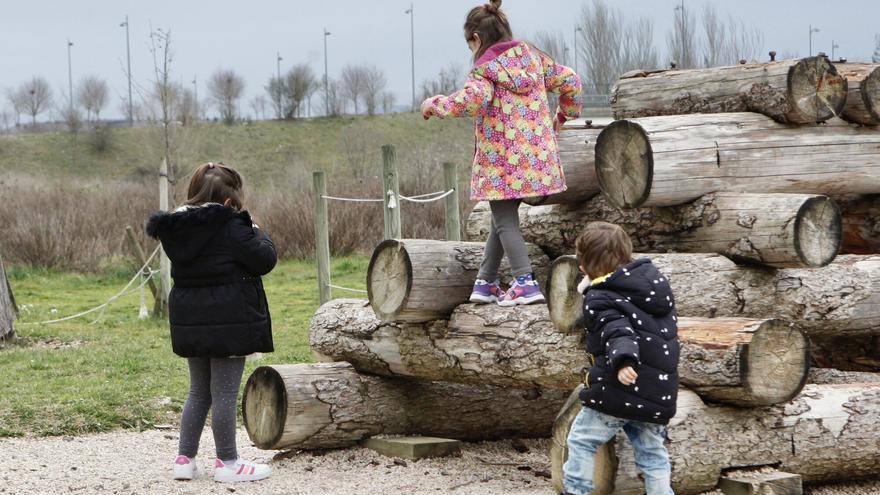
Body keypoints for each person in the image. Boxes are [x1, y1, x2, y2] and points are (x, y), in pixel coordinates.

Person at [420, 0, 582, 306]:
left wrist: (435, 104)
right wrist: (565, 114)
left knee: (505, 220)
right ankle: (485, 282)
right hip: (537, 160)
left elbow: (471, 101)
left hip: (502, 164)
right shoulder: (534, 58)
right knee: (502, 217)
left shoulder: (484, 71)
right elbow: (571, 80)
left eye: (469, 44)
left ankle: (525, 282)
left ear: (476, 38)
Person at [146, 162, 276, 483]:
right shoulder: (232, 226)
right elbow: (264, 259)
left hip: (191, 321)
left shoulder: (176, 229)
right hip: (230, 321)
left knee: (199, 392)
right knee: (224, 394)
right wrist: (257, 230)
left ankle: (184, 460)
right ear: (229, 201)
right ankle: (228, 463)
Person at [562, 222, 679, 495]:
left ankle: (576, 491)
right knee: (653, 455)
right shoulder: (653, 289)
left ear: (589, 265)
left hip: (618, 389)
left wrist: (624, 361)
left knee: (582, 440)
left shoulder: (600, 297)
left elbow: (618, 330)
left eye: (582, 260)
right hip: (658, 393)